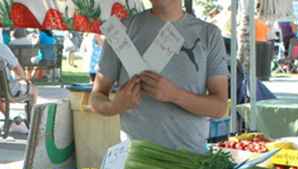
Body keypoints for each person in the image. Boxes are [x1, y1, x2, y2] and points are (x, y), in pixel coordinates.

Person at [90, 0, 228, 153]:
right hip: (135, 162)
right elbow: (96, 95)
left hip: (190, 162)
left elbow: (220, 107)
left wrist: (175, 95)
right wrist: (114, 106)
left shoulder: (209, 34)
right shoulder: (120, 31)